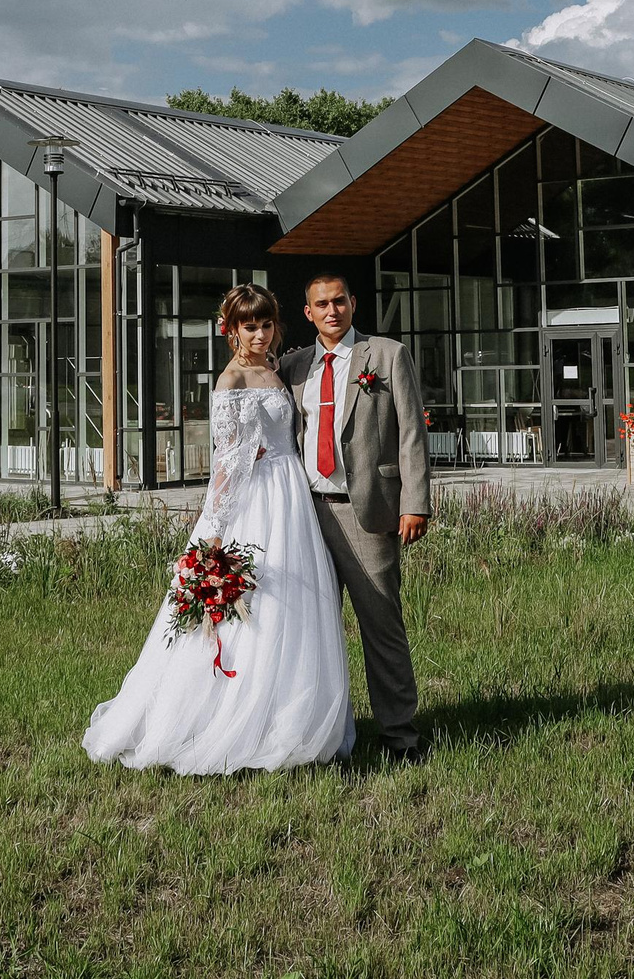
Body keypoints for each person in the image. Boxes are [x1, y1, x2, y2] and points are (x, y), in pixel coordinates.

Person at [83, 283, 355, 774]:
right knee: (255, 607)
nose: (260, 334)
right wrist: (214, 529)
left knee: (295, 609)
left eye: (266, 324)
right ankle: (231, 720)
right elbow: (226, 464)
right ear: (230, 330)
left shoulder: (273, 367)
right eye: (250, 327)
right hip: (257, 499)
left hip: (291, 494)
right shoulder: (230, 382)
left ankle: (290, 718)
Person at [278, 272, 431, 761]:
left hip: (367, 512)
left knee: (382, 627)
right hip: (306, 516)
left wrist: (414, 502)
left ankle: (400, 736)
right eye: (322, 304)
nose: (332, 310)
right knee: (311, 634)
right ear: (308, 313)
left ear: (353, 302)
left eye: (339, 301)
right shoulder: (293, 367)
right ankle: (319, 738)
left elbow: (412, 432)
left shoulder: (386, 356)